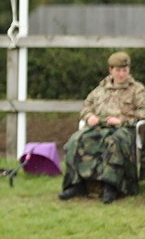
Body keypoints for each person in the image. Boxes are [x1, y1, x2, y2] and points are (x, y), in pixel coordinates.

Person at [58, 51, 145, 204]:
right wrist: (89, 116)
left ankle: (111, 186)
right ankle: (77, 184)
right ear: (110, 70)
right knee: (76, 140)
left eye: (125, 70)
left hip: (124, 129)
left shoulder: (137, 90)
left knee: (113, 142)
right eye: (118, 70)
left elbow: (143, 111)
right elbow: (86, 106)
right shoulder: (100, 89)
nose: (121, 74)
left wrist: (122, 119)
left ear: (129, 70)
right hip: (99, 127)